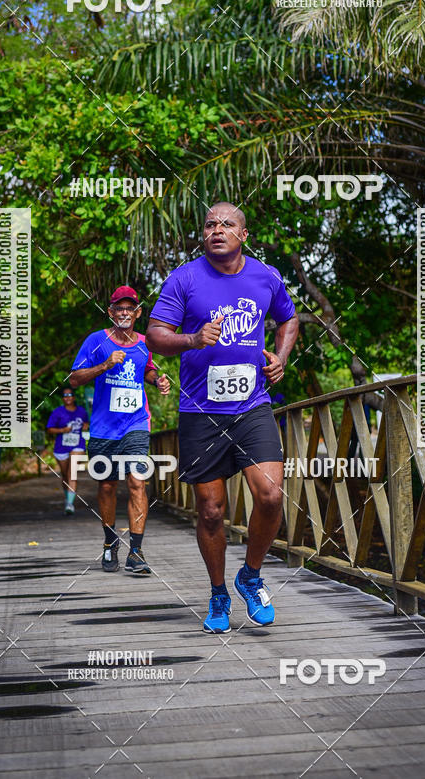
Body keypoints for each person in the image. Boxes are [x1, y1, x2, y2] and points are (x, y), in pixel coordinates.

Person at [146, 202, 299, 633]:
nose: (217, 230)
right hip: (200, 411)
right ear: (204, 234)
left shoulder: (265, 276)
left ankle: (250, 575)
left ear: (243, 235)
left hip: (252, 405)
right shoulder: (185, 278)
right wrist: (192, 338)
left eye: (227, 224)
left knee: (270, 495)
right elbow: (156, 337)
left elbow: (288, 319)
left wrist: (281, 358)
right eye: (210, 224)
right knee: (211, 511)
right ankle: (218, 593)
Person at [70, 286, 171, 574]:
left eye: (130, 308)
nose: (125, 312)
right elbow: (75, 378)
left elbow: (147, 369)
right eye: (119, 308)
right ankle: (110, 542)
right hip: (104, 429)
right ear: (111, 312)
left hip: (137, 424)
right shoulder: (96, 341)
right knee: (106, 485)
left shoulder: (145, 342)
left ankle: (136, 552)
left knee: (138, 482)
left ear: (138, 313)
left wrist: (157, 381)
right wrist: (105, 364)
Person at [46, 387, 89, 515]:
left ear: (74, 397)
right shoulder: (57, 412)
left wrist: (86, 426)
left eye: (70, 395)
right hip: (61, 447)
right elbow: (49, 429)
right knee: (65, 475)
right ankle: (68, 499)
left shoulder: (82, 411)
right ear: (62, 398)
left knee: (72, 473)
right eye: (65, 395)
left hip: (78, 445)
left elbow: (86, 424)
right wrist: (62, 430)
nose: (68, 397)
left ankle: (70, 505)